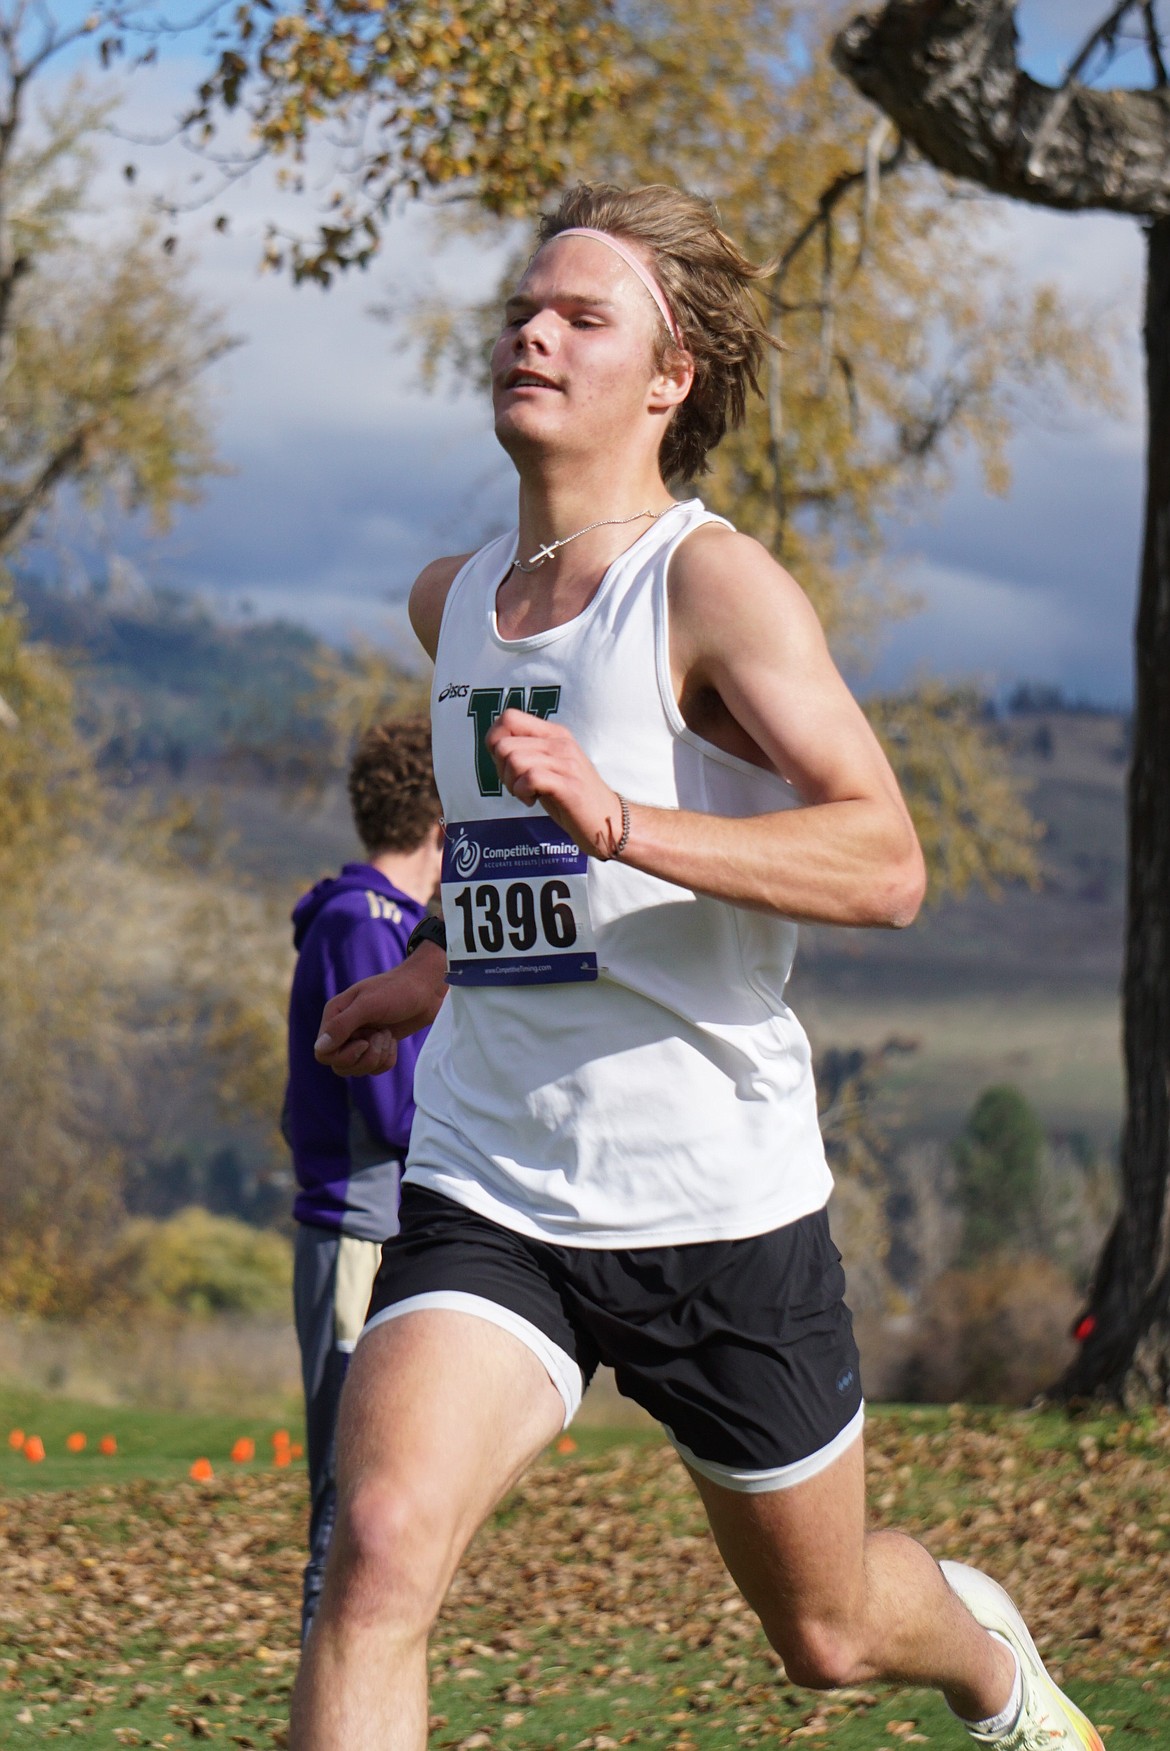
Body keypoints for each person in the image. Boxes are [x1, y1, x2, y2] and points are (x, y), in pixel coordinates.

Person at [294, 184, 1104, 1751]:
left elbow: (884, 859)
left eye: (582, 316)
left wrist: (626, 818)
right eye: (526, 307)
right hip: (492, 1181)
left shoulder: (709, 588)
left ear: (667, 377)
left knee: (828, 1627)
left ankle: (988, 1663)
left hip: (713, 1204)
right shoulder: (451, 602)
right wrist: (442, 968)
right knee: (376, 1546)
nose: (532, 329)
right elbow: (516, 851)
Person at [284, 714, 443, 1642]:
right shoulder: (358, 920)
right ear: (437, 827)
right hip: (353, 1232)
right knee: (346, 1509)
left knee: (386, 1500)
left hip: (391, 1232)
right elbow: (386, 1102)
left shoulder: (398, 923)